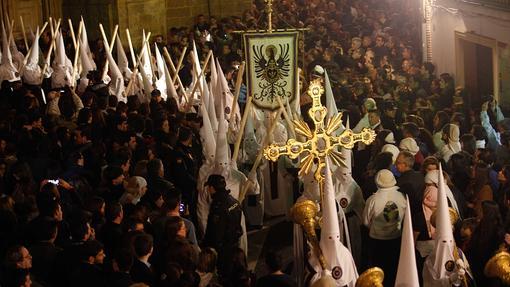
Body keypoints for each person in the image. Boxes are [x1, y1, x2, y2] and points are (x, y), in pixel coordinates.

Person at [363, 169, 406, 286]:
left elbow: (366, 221)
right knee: (393, 268)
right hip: (396, 238)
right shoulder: (402, 196)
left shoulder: (373, 199)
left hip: (377, 240)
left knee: (378, 270)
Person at [202, 174, 243, 278]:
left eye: (209, 187)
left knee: (224, 275)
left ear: (212, 188)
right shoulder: (234, 201)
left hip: (223, 250)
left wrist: (207, 246)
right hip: (234, 244)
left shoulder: (218, 206)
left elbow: (215, 231)